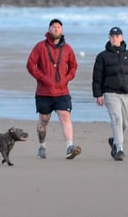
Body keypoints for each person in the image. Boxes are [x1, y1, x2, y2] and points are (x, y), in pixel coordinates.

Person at [26, 18, 81, 160]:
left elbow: (74, 66)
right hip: (44, 92)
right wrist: (43, 78)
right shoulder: (40, 47)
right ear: (49, 29)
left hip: (62, 91)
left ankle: (70, 147)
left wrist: (67, 78)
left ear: (62, 30)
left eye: (59, 27)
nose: (56, 29)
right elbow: (30, 65)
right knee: (44, 121)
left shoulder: (68, 48)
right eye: (54, 27)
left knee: (65, 116)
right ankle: (42, 146)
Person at [92, 26, 128, 161]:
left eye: (117, 36)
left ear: (122, 38)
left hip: (127, 94)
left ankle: (115, 141)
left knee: (125, 123)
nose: (114, 38)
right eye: (112, 36)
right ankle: (119, 149)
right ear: (109, 38)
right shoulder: (102, 56)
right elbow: (97, 77)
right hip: (110, 93)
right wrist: (98, 94)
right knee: (117, 119)